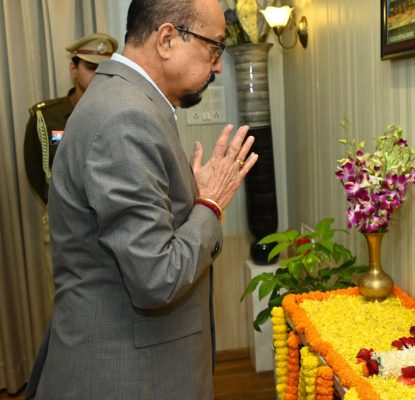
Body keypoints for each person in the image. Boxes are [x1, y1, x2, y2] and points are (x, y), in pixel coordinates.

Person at [25, 0, 258, 398]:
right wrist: (210, 204)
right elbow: (157, 278)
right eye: (214, 46)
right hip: (127, 375)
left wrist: (191, 199)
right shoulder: (124, 117)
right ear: (166, 39)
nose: (218, 65)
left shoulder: (127, 100)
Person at [23, 32, 118, 300]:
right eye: (90, 67)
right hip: (64, 224)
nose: (98, 75)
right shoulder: (46, 117)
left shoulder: (119, 112)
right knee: (66, 300)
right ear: (73, 68)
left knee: (110, 302)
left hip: (111, 223)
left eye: (104, 68)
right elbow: (36, 173)